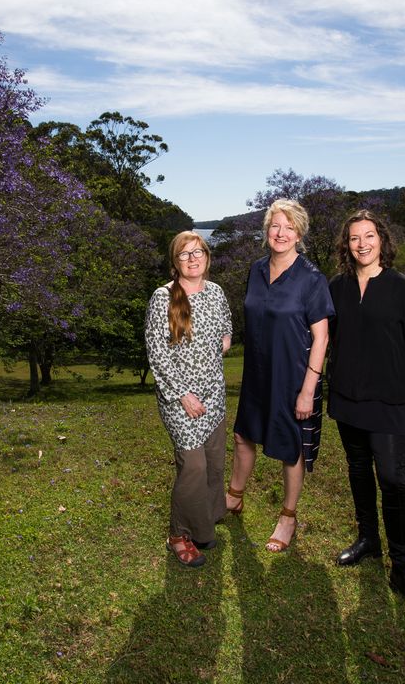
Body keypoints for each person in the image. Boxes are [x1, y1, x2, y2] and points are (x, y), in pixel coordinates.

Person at [327, 209, 405, 622]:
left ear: (381, 240)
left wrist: (398, 386)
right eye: (354, 238)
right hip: (346, 397)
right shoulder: (336, 287)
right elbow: (326, 335)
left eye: (369, 236)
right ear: (346, 245)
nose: (362, 244)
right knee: (358, 469)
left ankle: (403, 571)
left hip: (386, 401)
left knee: (391, 479)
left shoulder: (403, 288)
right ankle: (369, 539)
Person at [228, 199, 333, 553]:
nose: (281, 233)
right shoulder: (256, 270)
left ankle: (288, 516)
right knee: (244, 436)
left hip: (292, 376)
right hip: (256, 371)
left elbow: (322, 337)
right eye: (275, 226)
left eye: (289, 227)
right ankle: (234, 496)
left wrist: (308, 389)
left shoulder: (311, 279)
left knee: (291, 448)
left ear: (299, 234)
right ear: (266, 230)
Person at [145, 230, 233, 568]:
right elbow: (157, 355)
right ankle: (178, 534)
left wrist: (214, 349)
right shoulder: (163, 298)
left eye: (198, 252)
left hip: (214, 395)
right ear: (175, 262)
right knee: (193, 466)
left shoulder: (216, 292)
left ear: (207, 257)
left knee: (213, 462)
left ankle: (204, 526)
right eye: (185, 254)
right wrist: (184, 393)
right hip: (180, 399)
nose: (193, 258)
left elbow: (226, 331)